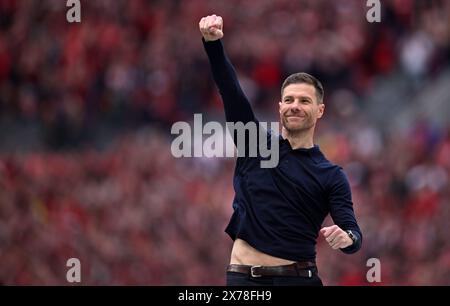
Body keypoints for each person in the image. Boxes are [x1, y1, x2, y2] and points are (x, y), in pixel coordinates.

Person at [199, 14, 362, 286]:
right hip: (244, 280)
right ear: (279, 107)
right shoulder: (255, 144)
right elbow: (230, 91)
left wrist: (347, 238)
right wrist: (213, 45)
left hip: (299, 279)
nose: (294, 105)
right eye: (288, 99)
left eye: (304, 100)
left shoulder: (331, 175)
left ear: (320, 110)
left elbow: (353, 232)